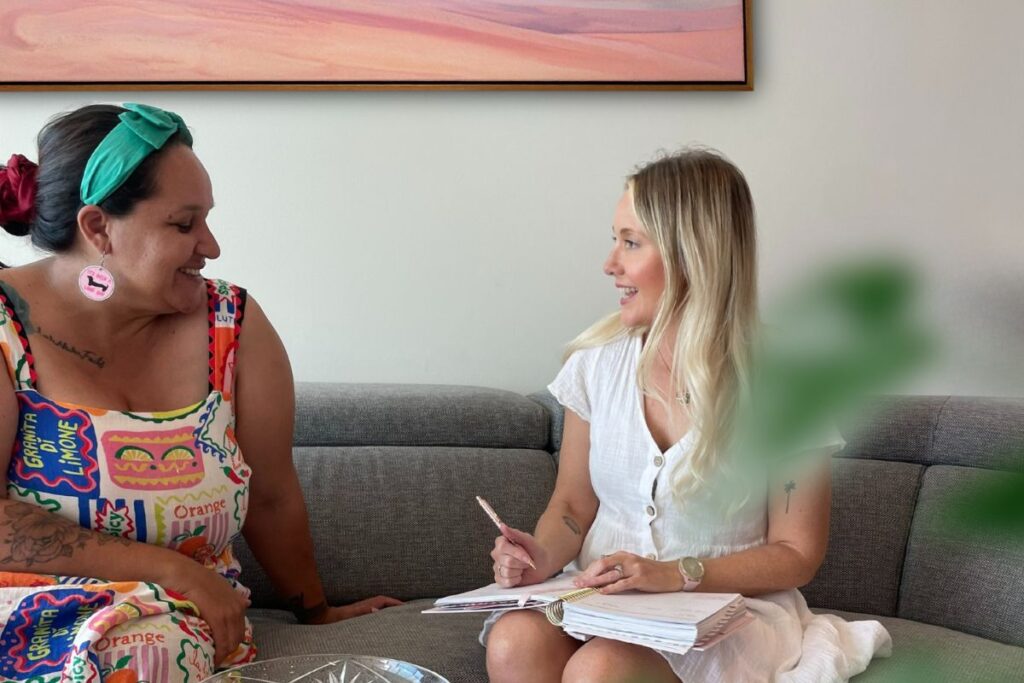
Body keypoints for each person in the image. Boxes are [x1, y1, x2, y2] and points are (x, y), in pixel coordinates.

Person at [0, 103, 400, 683]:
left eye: (206, 221)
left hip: (168, 628)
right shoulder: (6, 325)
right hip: (21, 614)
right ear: (98, 228)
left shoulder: (231, 323)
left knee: (147, 652)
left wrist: (317, 612)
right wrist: (173, 569)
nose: (210, 246)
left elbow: (271, 497)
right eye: (183, 225)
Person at [483, 149, 892, 682]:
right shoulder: (595, 364)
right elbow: (572, 507)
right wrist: (541, 555)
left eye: (630, 242)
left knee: (600, 671)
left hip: (727, 610)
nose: (610, 264)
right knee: (512, 641)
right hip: (601, 600)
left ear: (690, 254)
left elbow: (798, 552)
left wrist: (675, 574)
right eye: (615, 240)